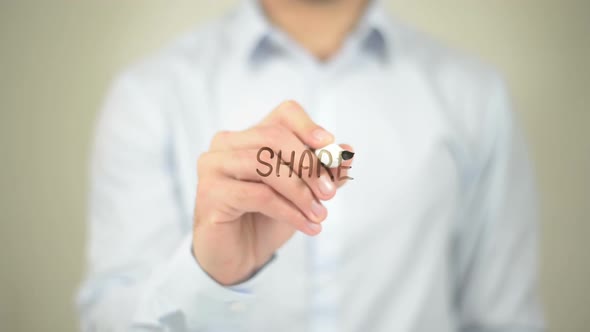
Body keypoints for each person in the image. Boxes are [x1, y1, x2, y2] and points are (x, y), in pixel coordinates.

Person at [76, 0, 545, 331]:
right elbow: (110, 321)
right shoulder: (149, 95)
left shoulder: (475, 96)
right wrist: (208, 275)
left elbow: (503, 319)